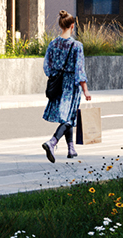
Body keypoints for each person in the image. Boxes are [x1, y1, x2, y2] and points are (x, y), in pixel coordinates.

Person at [41, 10, 91, 160]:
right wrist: (85, 90)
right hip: (70, 86)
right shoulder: (76, 46)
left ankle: (71, 148)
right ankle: (52, 142)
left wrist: (54, 75)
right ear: (72, 26)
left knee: (68, 117)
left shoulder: (53, 43)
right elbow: (79, 70)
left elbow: (46, 65)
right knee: (68, 118)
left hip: (57, 84)